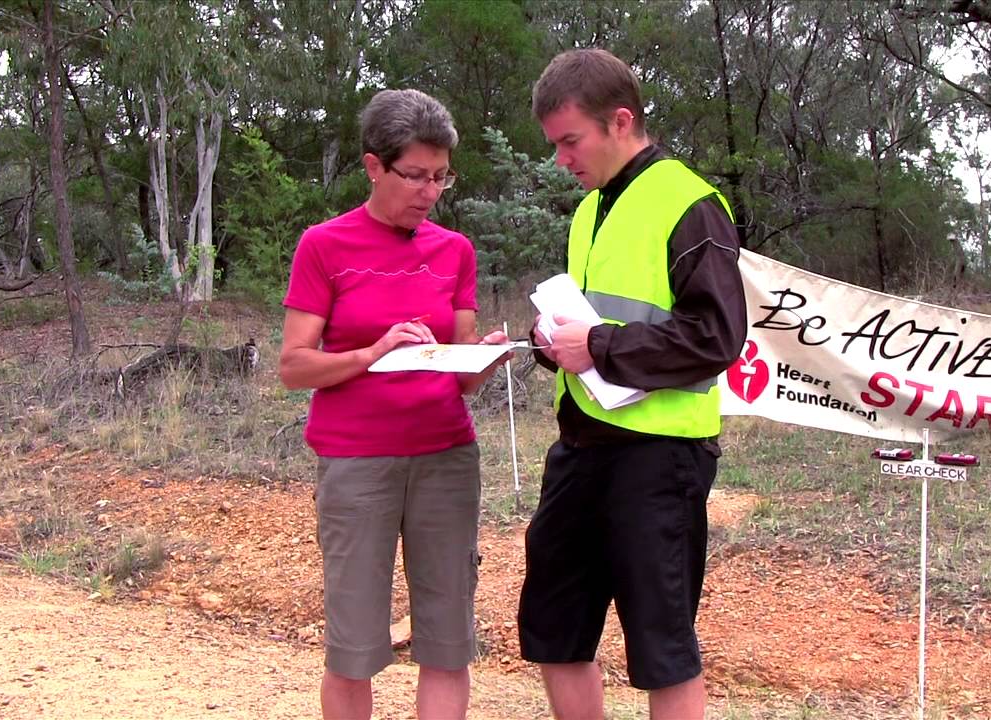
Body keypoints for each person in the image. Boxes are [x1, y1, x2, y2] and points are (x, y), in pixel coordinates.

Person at [517, 49, 747, 720]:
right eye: (554, 144)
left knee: (661, 645)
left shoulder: (690, 203)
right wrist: (553, 341)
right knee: (554, 627)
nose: (562, 158)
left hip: (660, 458)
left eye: (570, 140)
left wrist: (598, 346)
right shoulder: (590, 209)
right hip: (581, 448)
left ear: (621, 121)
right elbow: (597, 321)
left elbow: (716, 339)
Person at [278, 88, 507, 720]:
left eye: (441, 177)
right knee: (354, 643)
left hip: (446, 457)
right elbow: (294, 365)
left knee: (447, 641)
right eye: (415, 176)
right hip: (356, 463)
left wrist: (486, 356)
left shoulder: (454, 251)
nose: (429, 191)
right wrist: (369, 354)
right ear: (374, 166)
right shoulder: (324, 245)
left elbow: (461, 375)